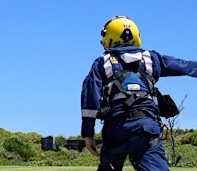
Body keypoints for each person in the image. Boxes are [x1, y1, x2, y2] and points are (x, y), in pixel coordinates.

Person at [80, 15, 197, 171]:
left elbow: (90, 97)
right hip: (146, 129)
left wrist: (88, 133)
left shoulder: (103, 62)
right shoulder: (152, 59)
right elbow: (186, 66)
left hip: (116, 129)